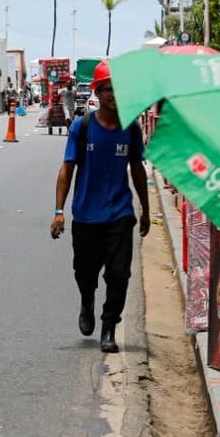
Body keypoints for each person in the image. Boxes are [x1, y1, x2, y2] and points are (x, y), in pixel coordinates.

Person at [50, 59, 151, 353]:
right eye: (108, 89)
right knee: (85, 273)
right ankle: (87, 300)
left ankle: (109, 328)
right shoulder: (82, 128)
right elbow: (67, 170)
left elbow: (138, 169)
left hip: (120, 213)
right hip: (86, 215)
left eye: (119, 89)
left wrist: (145, 209)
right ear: (98, 91)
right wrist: (59, 212)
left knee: (119, 275)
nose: (114, 96)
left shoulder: (131, 128)